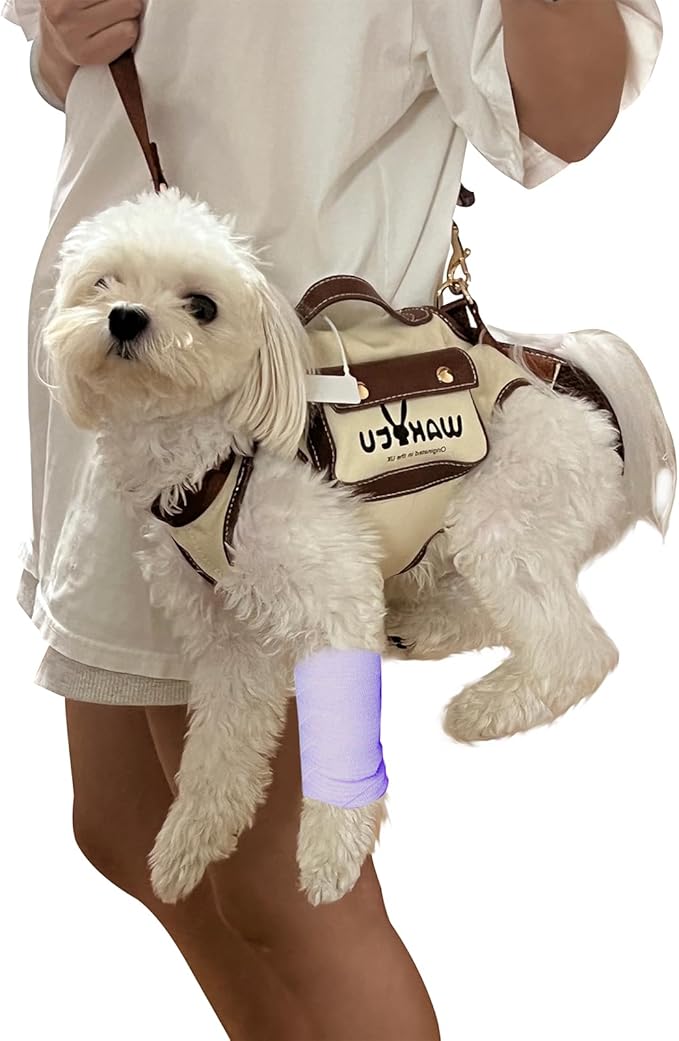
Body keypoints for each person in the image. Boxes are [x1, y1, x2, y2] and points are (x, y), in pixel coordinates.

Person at [1, 1, 663, 1037]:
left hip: (286, 395)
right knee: (125, 823)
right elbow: (65, 47)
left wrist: (347, 783)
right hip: (121, 374)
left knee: (288, 889)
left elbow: (565, 110)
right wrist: (59, 41)